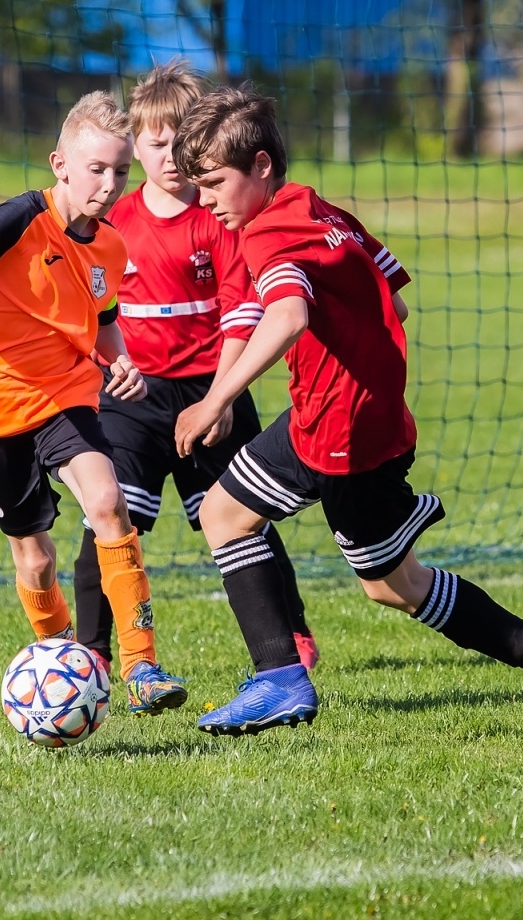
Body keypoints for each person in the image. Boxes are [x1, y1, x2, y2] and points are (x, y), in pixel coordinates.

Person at [171, 85, 523, 738]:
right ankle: (283, 673)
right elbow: (394, 300)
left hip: (341, 433)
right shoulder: (319, 208)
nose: (205, 201)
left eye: (214, 183)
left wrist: (215, 399)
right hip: (346, 415)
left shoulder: (267, 232)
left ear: (260, 165)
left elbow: (288, 314)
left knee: (390, 584)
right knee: (235, 517)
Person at [0, 92, 188, 715]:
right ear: (60, 164)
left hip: (65, 395)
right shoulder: (16, 221)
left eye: (120, 171)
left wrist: (120, 360)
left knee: (107, 501)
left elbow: (103, 319)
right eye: (96, 169)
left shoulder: (110, 247)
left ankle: (142, 666)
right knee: (35, 559)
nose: (109, 184)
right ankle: (62, 665)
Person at [70, 60, 317, 674]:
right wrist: (107, 366)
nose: (172, 159)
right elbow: (89, 308)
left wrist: (222, 397)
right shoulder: (114, 222)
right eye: (157, 145)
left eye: (183, 144)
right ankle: (92, 652)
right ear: (136, 146)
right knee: (109, 517)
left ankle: (291, 631)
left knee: (242, 516)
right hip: (133, 395)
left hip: (213, 389)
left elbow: (240, 309)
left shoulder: (221, 216)